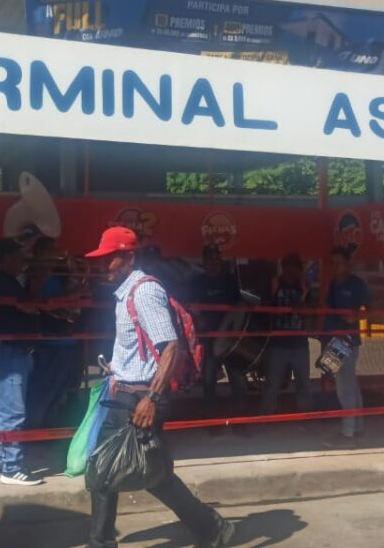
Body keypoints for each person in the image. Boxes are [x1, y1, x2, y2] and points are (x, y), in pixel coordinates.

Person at [84, 227, 235, 548]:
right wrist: (118, 366)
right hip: (124, 392)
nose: (102, 265)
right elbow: (139, 346)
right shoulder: (125, 294)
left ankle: (213, 528)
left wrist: (151, 397)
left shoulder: (144, 293)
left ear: (128, 257)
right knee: (113, 471)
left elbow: (170, 347)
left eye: (109, 259)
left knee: (126, 473)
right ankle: (212, 528)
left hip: (140, 398)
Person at [0, 238, 43, 486]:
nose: (22, 262)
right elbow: (30, 307)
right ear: (6, 258)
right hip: (10, 352)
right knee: (13, 413)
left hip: (6, 350)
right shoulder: (2, 283)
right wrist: (37, 281)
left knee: (2, 412)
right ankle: (12, 468)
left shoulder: (1, 282)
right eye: (18, 257)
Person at [25, 237, 85, 429]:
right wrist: (76, 291)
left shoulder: (57, 275)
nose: (57, 252)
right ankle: (35, 430)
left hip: (65, 341)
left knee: (61, 391)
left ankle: (48, 429)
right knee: (43, 391)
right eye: (52, 249)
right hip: (49, 343)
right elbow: (42, 303)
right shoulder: (36, 276)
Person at [323, 246, 370, 447]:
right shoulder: (333, 284)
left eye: (339, 263)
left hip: (348, 340)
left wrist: (355, 316)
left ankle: (347, 433)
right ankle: (357, 427)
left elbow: (371, 309)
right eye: (333, 263)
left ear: (348, 264)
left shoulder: (357, 284)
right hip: (335, 339)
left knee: (345, 387)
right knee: (350, 384)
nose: (336, 267)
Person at [189, 244, 247, 400]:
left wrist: (237, 329)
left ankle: (240, 420)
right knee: (208, 381)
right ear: (204, 261)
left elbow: (240, 306)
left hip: (230, 337)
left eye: (216, 258)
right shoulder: (197, 283)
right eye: (210, 259)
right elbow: (191, 309)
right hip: (209, 338)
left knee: (238, 380)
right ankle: (211, 419)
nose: (213, 262)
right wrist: (197, 318)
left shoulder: (229, 280)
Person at [262, 253, 314, 415]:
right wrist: (277, 311)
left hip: (299, 343)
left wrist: (304, 308)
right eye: (286, 267)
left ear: (299, 270)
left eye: (293, 267)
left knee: (303, 383)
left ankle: (304, 416)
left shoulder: (305, 286)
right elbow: (263, 308)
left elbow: (313, 310)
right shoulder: (274, 284)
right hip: (277, 343)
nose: (290, 271)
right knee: (272, 383)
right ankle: (267, 417)